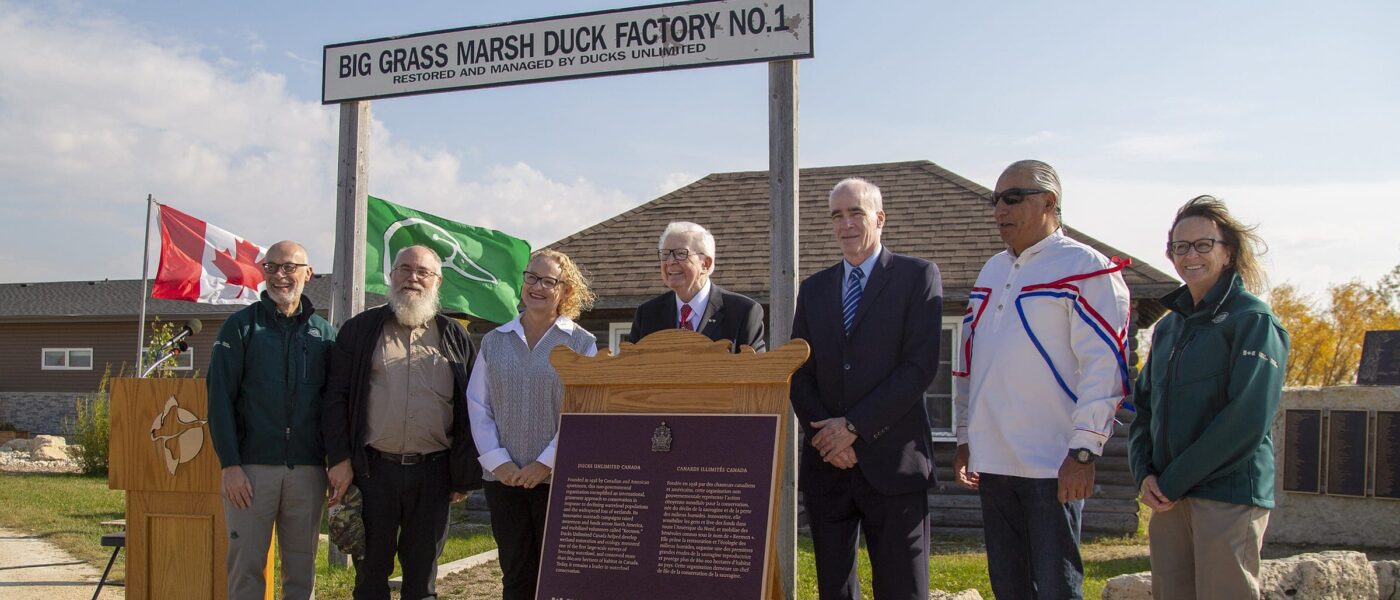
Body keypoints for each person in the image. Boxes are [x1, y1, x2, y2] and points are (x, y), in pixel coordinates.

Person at [952, 160, 1132, 600]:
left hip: (1054, 464)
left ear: (1049, 202)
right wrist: (963, 437)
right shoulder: (990, 271)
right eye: (995, 200)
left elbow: (1104, 367)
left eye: (1012, 198)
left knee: (1055, 589)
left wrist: (1085, 450)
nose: (999, 210)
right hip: (993, 462)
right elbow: (967, 362)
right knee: (1009, 588)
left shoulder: (1090, 269)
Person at [790, 178, 943, 600]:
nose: (845, 224)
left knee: (902, 590)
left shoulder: (917, 276)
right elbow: (799, 373)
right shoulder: (814, 289)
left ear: (880, 218)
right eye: (836, 215)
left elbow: (919, 368)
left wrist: (853, 427)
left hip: (893, 464)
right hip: (829, 468)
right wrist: (828, 437)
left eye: (855, 212)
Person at [1129, 195, 1289, 599]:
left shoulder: (1252, 320)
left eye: (1203, 244)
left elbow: (1246, 420)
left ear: (1228, 253)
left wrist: (1174, 480)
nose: (1190, 255)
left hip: (1227, 495)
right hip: (1168, 498)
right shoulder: (1167, 329)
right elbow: (1144, 407)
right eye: (1180, 247)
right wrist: (1144, 474)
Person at [322, 245, 482, 600]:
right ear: (391, 275)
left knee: (422, 580)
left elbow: (471, 408)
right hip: (372, 472)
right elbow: (335, 397)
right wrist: (340, 459)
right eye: (405, 269)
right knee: (370, 578)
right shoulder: (360, 330)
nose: (413, 277)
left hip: (434, 475)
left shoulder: (454, 336)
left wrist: (462, 473)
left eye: (423, 272)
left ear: (437, 281)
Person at [206, 240, 337, 600]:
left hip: (308, 472)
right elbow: (219, 401)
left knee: (301, 571)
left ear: (308, 274)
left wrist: (337, 463)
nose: (280, 275)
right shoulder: (240, 328)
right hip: (249, 473)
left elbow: (335, 406)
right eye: (272, 267)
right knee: (246, 567)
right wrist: (230, 465)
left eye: (289, 267)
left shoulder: (325, 335)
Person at [467, 249, 598, 600]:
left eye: (548, 281)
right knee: (515, 576)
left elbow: (584, 411)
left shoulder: (581, 344)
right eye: (531, 277)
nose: (536, 287)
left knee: (557, 580)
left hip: (560, 481)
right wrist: (499, 462)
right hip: (504, 480)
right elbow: (478, 405)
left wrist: (545, 463)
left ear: (565, 290)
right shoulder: (495, 341)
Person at [627, 221, 766, 352]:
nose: (670, 262)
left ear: (706, 264)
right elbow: (629, 372)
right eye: (665, 254)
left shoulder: (743, 312)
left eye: (681, 253)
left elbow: (756, 373)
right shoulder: (647, 314)